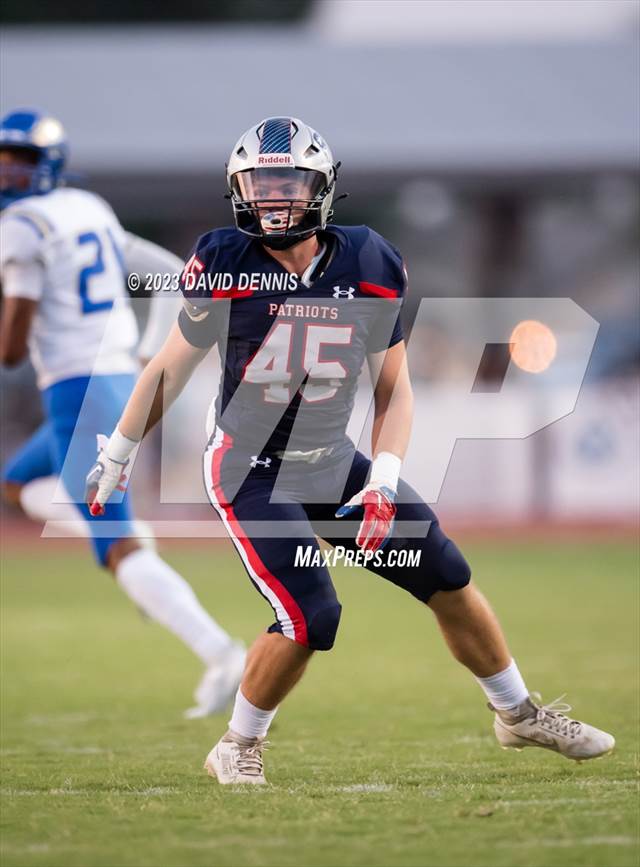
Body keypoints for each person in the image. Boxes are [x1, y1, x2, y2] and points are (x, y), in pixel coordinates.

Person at [87, 116, 614, 784]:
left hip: (331, 460)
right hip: (249, 465)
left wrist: (384, 479)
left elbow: (394, 390)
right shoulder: (224, 259)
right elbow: (168, 367)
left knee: (445, 573)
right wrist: (120, 453)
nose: (274, 199)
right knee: (312, 612)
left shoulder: (370, 260)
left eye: (288, 183)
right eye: (260, 184)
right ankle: (238, 744)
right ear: (238, 189)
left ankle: (518, 712)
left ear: (323, 188)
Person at [0, 108, 245, 719]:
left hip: (78, 390)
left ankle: (221, 653)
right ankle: (139, 554)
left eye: (20, 159)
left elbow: (10, 350)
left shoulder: (23, 226)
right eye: (3, 157)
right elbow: (176, 276)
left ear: (45, 165)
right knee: (18, 481)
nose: (9, 169)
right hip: (108, 382)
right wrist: (145, 351)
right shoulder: (90, 208)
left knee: (119, 550)